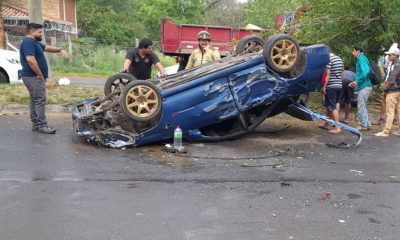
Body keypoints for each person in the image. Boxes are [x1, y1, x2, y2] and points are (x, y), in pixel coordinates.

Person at [20, 23, 68, 134]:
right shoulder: (28, 42)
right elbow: (30, 60)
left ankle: (36, 124)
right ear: (32, 31)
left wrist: (60, 50)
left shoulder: (34, 42)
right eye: (40, 32)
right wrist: (40, 74)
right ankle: (42, 125)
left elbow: (46, 48)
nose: (41, 34)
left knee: (34, 100)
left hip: (31, 77)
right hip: (33, 77)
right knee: (39, 101)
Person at [375, 44, 400, 137]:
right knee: (398, 111)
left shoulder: (396, 65)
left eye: (390, 55)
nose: (388, 56)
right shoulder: (395, 64)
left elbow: (392, 79)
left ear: (395, 55)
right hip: (398, 90)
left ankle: (385, 131)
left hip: (393, 91)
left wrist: (384, 89)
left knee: (390, 111)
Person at [348, 46, 373, 131]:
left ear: (357, 51)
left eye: (353, 51)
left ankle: (363, 125)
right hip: (365, 85)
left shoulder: (361, 58)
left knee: (361, 106)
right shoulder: (363, 58)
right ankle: (367, 124)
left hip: (364, 86)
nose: (352, 53)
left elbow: (365, 71)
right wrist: (356, 82)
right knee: (363, 106)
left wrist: (356, 81)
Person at [319, 51, 344, 134]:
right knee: (336, 104)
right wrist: (339, 82)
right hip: (339, 85)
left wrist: (324, 86)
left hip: (331, 86)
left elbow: (328, 73)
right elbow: (342, 74)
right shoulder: (339, 59)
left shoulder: (328, 59)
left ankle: (337, 127)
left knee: (331, 107)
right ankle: (327, 124)